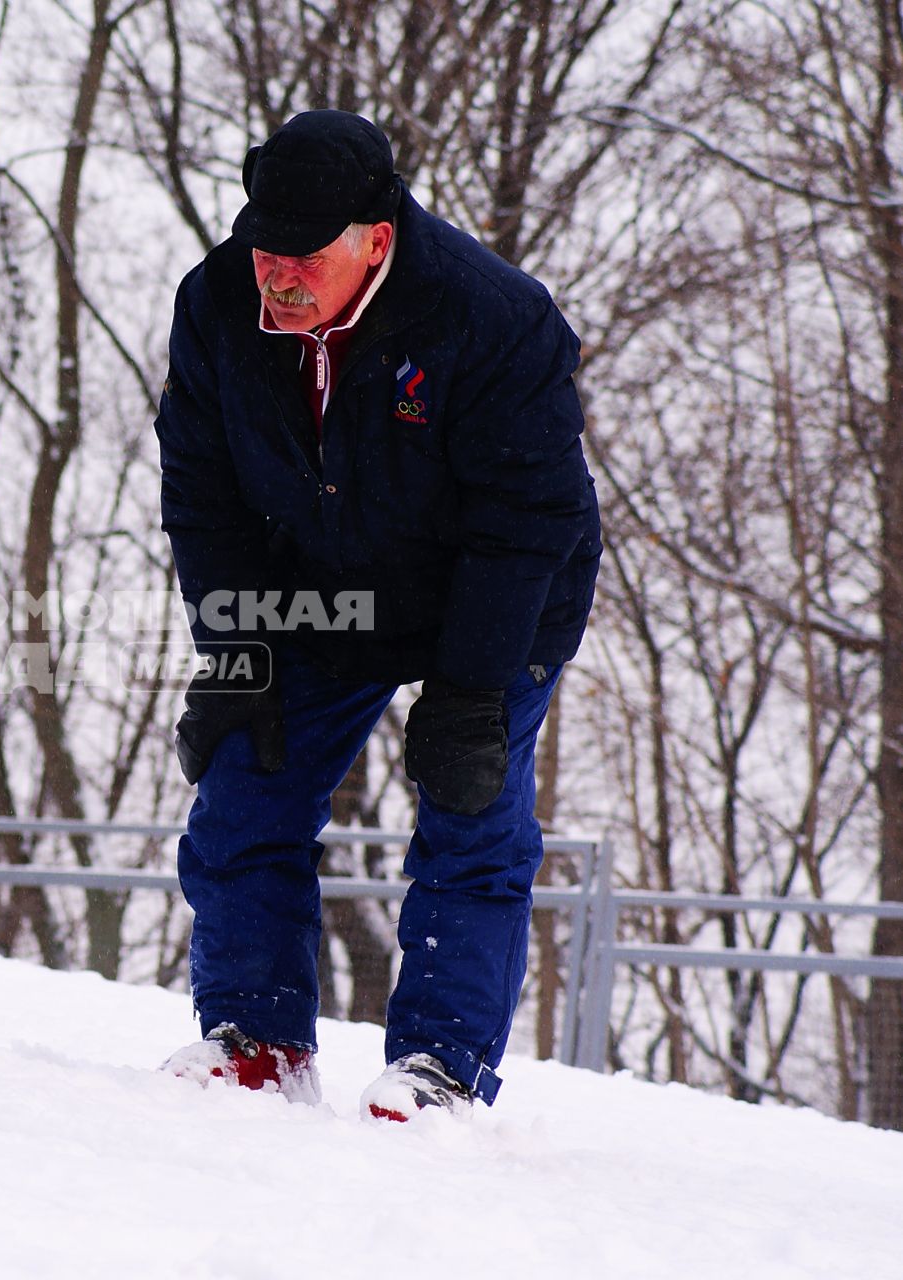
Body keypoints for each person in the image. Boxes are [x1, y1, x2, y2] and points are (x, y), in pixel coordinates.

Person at [153, 110, 601, 1119]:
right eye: (263, 248)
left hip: (490, 591)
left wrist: (470, 689)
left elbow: (529, 517)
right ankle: (256, 1040)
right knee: (242, 789)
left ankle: (439, 1068)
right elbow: (201, 486)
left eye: (303, 258)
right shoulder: (217, 301)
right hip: (318, 580)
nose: (275, 277)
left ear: (374, 236)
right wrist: (236, 650)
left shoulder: (490, 317)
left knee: (467, 808)